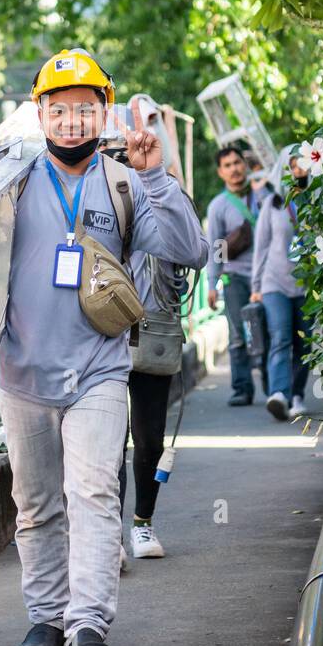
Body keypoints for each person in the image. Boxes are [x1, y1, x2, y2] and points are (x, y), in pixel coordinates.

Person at [0, 48, 206, 646]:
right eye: (59, 109)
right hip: (21, 373)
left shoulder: (126, 183)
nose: (72, 120)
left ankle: (88, 625)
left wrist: (157, 176)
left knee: (93, 493)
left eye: (85, 108)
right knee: (37, 503)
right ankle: (45, 616)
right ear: (39, 115)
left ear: (105, 112)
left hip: (99, 367)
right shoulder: (5, 180)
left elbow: (191, 250)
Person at [103, 97, 204, 564]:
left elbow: (197, 251)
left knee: (148, 438)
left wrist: (158, 183)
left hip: (156, 327)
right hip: (103, 331)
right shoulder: (101, 189)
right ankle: (107, 536)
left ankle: (142, 524)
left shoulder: (168, 191)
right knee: (105, 438)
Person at [250, 145, 314, 422]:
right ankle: (278, 394)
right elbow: (261, 247)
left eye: (302, 163)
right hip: (274, 282)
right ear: (284, 167)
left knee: (304, 343)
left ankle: (297, 394)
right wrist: (256, 287)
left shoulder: (317, 201)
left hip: (307, 285)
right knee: (280, 337)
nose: (297, 168)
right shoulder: (272, 204)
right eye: (292, 163)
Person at [205, 144, 271, 406]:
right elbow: (217, 248)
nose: (234, 169)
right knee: (237, 334)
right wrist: (213, 283)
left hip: (266, 276)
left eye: (237, 163)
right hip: (235, 278)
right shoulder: (218, 206)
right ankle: (242, 388)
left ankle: (273, 387)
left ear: (244, 165)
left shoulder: (262, 195)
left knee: (268, 331)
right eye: (228, 165)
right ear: (221, 172)